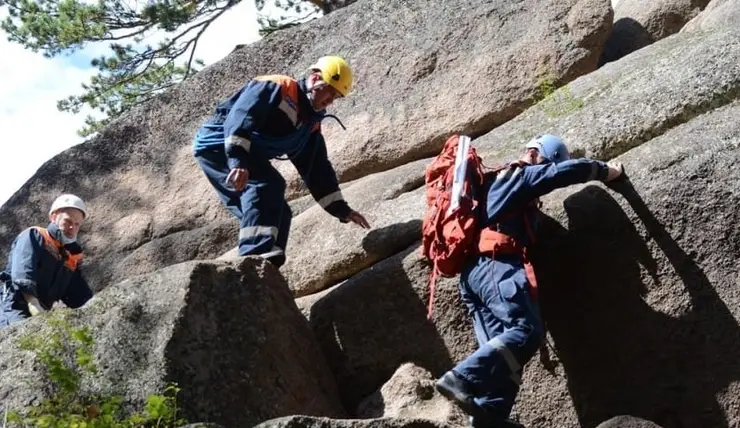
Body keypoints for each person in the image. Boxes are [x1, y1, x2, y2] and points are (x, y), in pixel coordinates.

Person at [434, 134, 625, 428]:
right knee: (526, 331)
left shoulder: (492, 184)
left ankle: (489, 418)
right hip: (497, 265)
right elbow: (562, 172)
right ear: (537, 155)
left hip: (473, 275)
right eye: (545, 162)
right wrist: (606, 170)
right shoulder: (518, 175)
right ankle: (459, 378)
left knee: (505, 360)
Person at [192, 55, 370, 268]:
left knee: (279, 211)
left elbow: (318, 172)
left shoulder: (309, 125)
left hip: (241, 155)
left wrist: (343, 210)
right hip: (218, 145)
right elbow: (241, 117)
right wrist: (238, 161)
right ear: (314, 79)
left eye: (337, 96)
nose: (331, 100)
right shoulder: (278, 87)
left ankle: (268, 268)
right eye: (330, 90)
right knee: (266, 185)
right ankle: (251, 260)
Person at [0, 194, 94, 327]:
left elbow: (79, 295)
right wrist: (33, 303)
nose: (72, 227)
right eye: (68, 221)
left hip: (42, 311)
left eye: (77, 224)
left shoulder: (71, 257)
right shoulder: (35, 235)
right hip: (14, 304)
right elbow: (23, 272)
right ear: (54, 217)